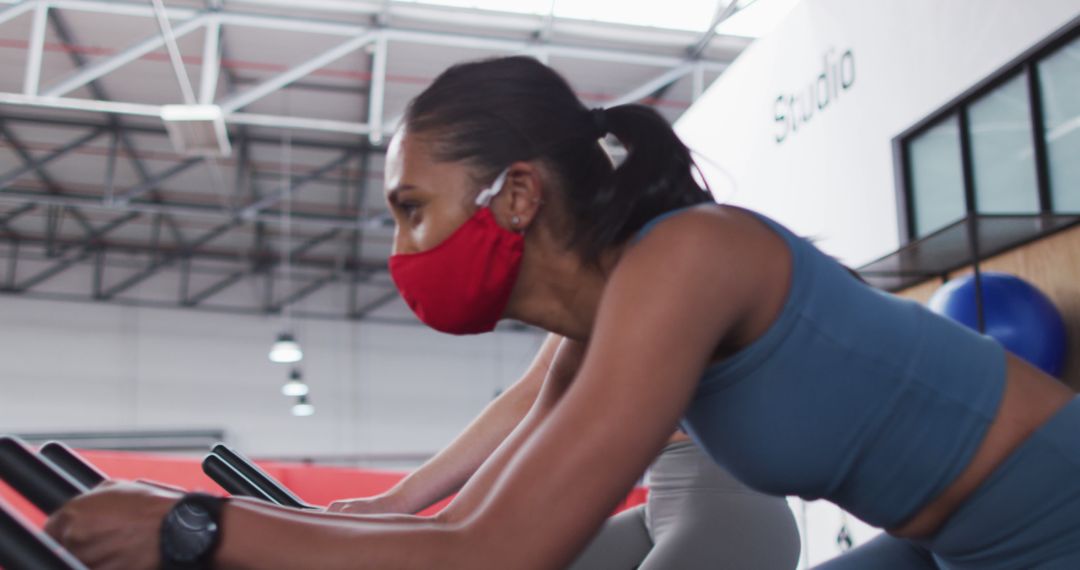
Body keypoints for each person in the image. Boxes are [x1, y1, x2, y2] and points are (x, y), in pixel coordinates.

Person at [45, 55, 1080, 569]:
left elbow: (500, 551)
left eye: (413, 210)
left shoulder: (688, 261)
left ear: (519, 195)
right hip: (952, 540)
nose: (401, 247)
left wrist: (197, 528)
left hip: (1054, 510)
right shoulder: (599, 323)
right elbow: (444, 508)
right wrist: (283, 525)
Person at [326, 333, 800, 569]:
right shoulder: (589, 280)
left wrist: (435, 520)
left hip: (729, 508)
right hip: (662, 504)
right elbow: (532, 395)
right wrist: (400, 500)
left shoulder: (652, 268)